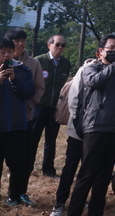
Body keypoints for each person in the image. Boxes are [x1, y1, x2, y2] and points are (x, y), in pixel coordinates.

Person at [67, 35, 115, 216]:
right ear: (100, 51)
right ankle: (74, 212)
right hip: (95, 128)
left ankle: (96, 212)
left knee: (103, 177)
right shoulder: (91, 68)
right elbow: (94, 81)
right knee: (87, 175)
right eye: (111, 48)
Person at [50, 55, 100, 216]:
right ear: (100, 52)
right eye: (110, 49)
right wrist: (79, 125)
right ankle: (60, 203)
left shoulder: (112, 70)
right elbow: (74, 99)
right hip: (78, 130)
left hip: (97, 131)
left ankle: (81, 199)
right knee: (70, 168)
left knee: (89, 169)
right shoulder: (86, 69)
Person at [6, 29, 44, 206]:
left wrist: (28, 106)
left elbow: (38, 89)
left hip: (24, 119)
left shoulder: (32, 64)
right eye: (16, 41)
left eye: (23, 40)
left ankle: (20, 192)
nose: (20, 44)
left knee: (24, 159)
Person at [0, 36, 35, 208]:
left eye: (9, 52)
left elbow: (28, 93)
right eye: (2, 52)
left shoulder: (23, 71)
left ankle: (13, 195)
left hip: (17, 126)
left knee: (18, 164)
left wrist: (14, 80)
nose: (6, 55)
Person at [32, 35, 72, 178]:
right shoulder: (39, 61)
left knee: (51, 140)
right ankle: (27, 167)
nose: (60, 47)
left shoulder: (66, 64)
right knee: (33, 138)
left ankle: (48, 169)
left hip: (55, 108)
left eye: (63, 45)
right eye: (57, 44)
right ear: (49, 45)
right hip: (39, 106)